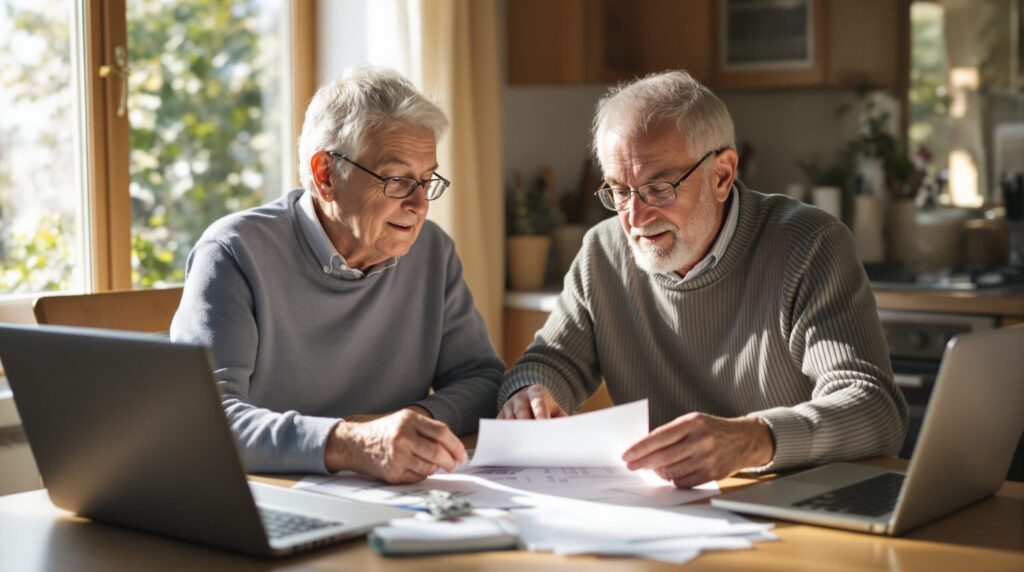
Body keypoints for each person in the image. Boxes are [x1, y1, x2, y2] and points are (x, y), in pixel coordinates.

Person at [497, 71, 908, 488]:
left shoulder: (809, 246)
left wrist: (752, 439)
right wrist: (530, 394)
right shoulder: (602, 252)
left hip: (796, 508)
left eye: (658, 188)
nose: (635, 219)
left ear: (722, 175)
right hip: (666, 514)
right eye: (620, 191)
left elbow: (874, 410)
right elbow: (549, 363)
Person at [171, 66, 504, 483]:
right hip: (266, 497)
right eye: (398, 179)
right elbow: (205, 421)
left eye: (426, 180)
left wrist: (412, 420)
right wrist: (351, 443)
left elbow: (484, 380)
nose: (420, 204)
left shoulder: (433, 251)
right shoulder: (233, 252)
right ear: (326, 175)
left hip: (391, 497)